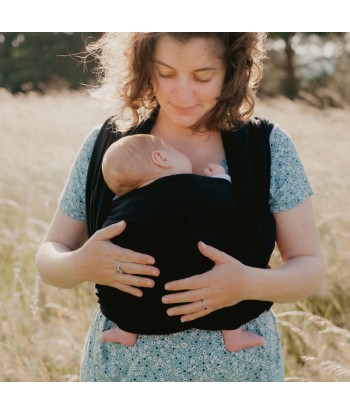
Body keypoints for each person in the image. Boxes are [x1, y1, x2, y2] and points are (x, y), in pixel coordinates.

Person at [36, 32, 324, 382]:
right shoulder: (109, 144)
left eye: (203, 77)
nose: (182, 93)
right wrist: (80, 264)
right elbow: (49, 257)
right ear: (143, 68)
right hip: (123, 374)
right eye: (166, 73)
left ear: (232, 72)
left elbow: (309, 269)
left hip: (239, 377)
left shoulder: (267, 147)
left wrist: (246, 284)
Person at [98, 132, 266, 352]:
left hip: (144, 309)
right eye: (175, 151)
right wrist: (221, 179)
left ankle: (126, 332)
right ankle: (233, 335)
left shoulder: (120, 207)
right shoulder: (194, 187)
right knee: (237, 263)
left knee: (125, 287)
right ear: (161, 158)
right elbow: (226, 204)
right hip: (207, 303)